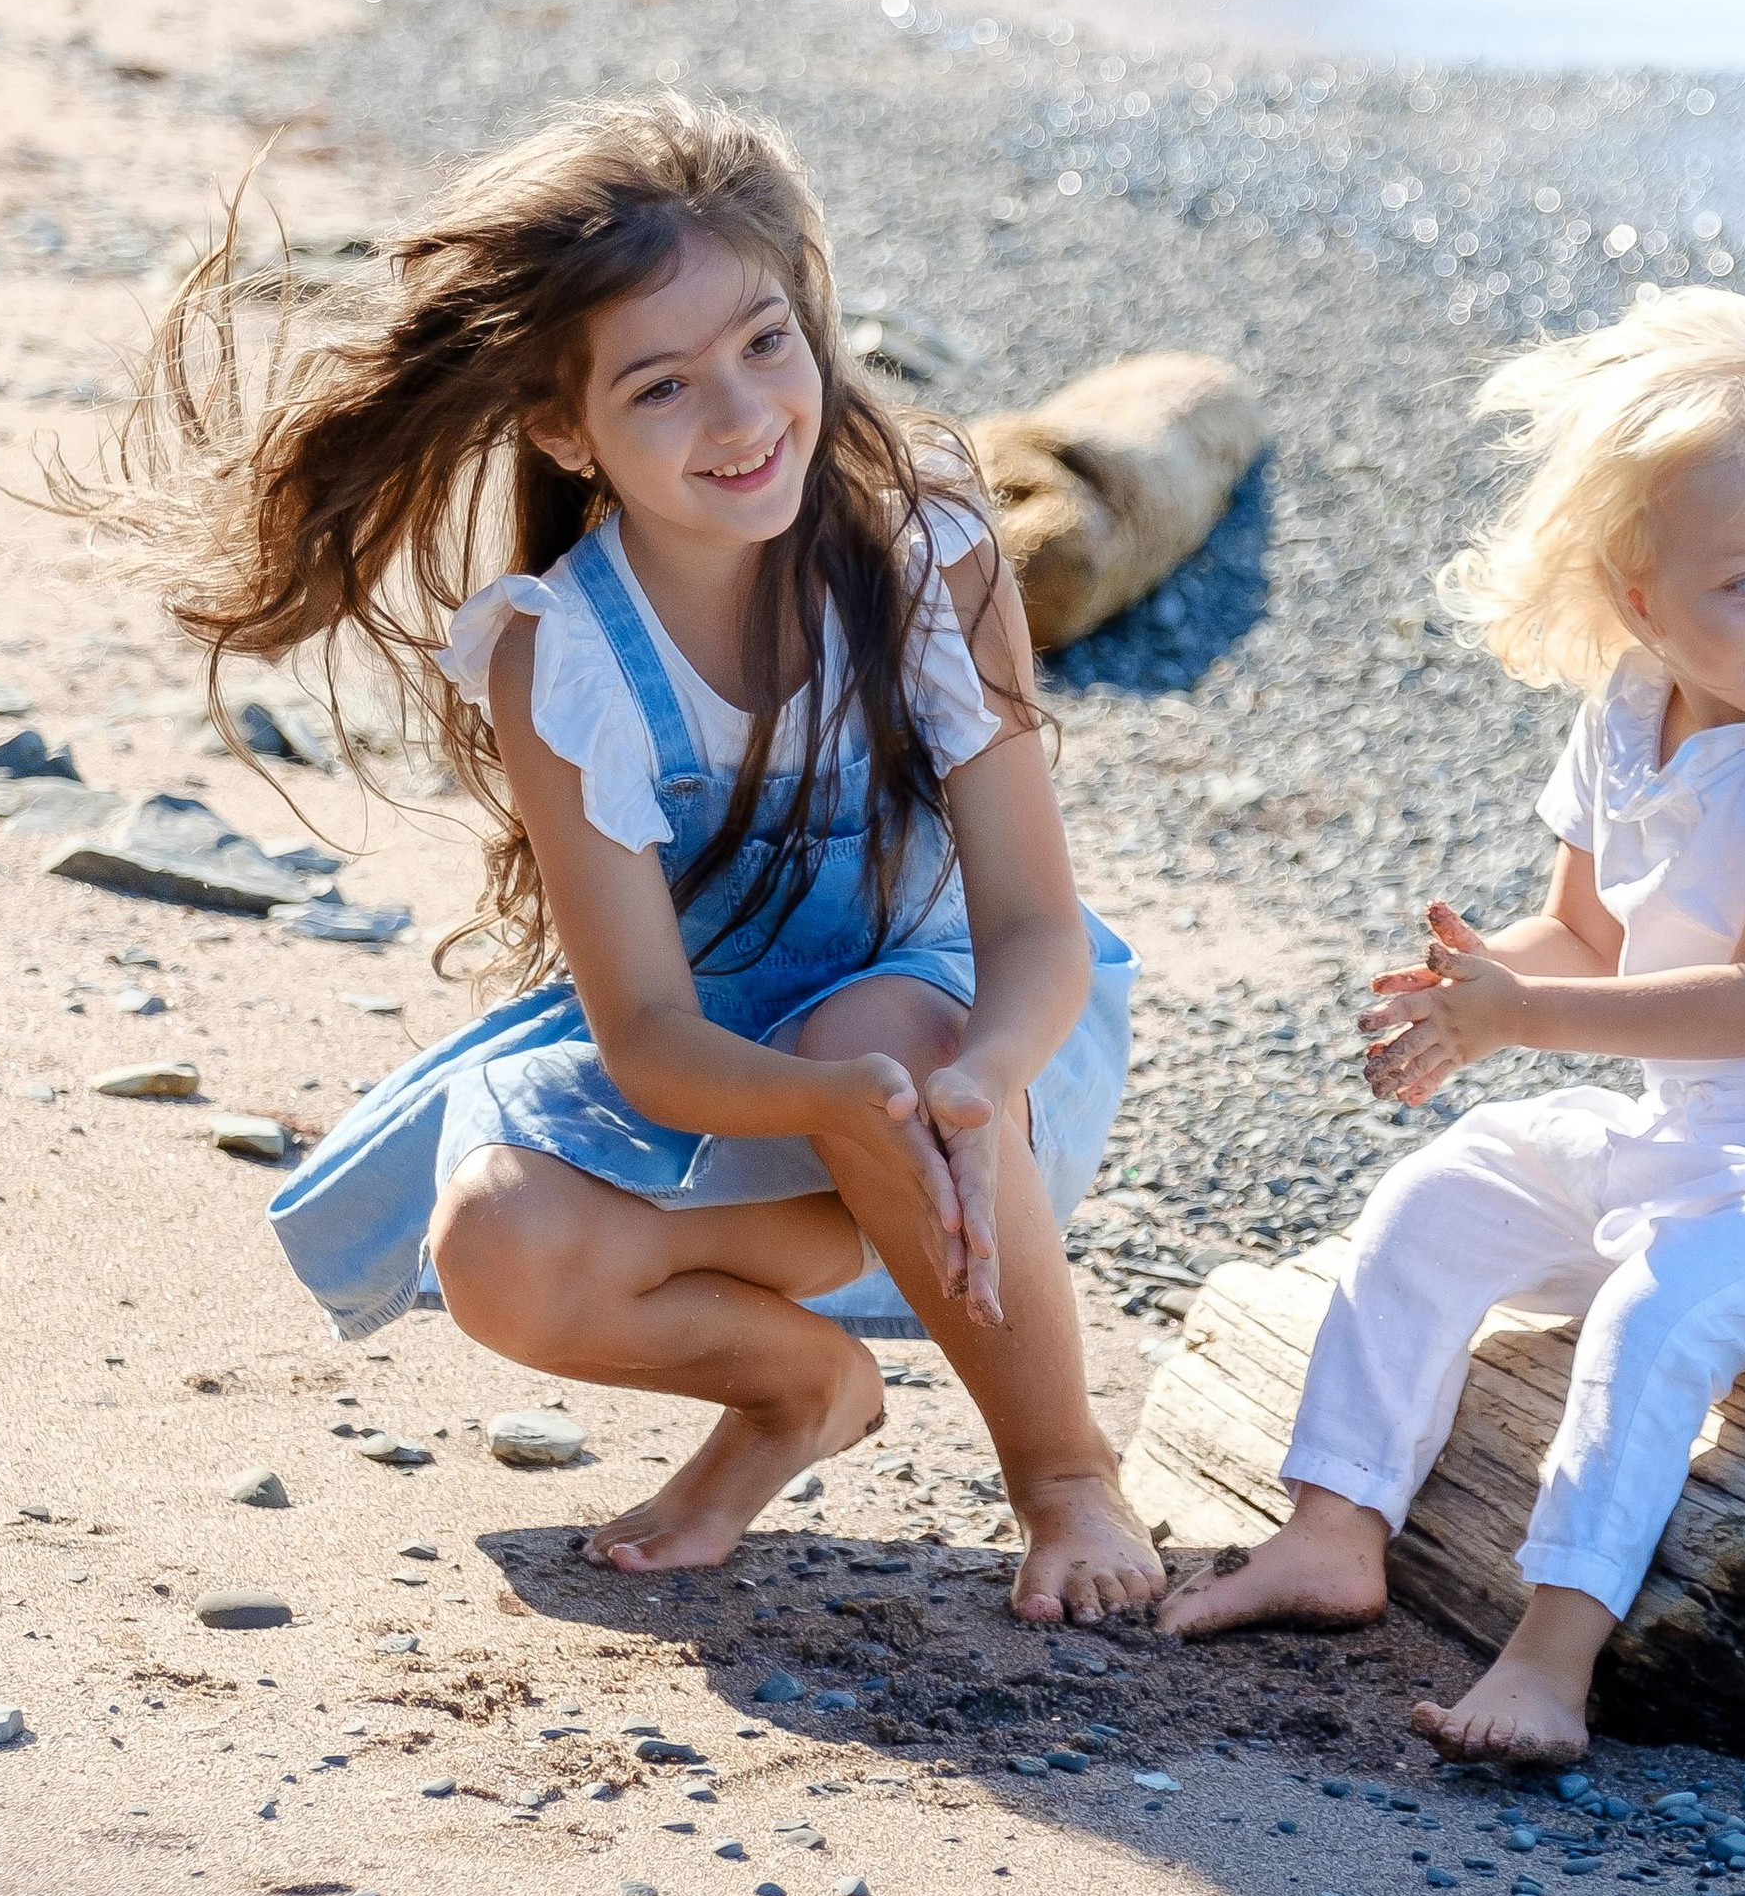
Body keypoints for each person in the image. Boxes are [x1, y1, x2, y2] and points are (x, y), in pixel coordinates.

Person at [100, 96, 1158, 1620]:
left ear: (810, 318)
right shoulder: (565, 654)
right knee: (502, 1243)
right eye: (659, 385)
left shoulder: (929, 558)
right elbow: (651, 1038)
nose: (740, 416)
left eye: (766, 344)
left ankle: (1064, 1476)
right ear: (560, 427)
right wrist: (824, 1103)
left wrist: (983, 1074)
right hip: (732, 1090)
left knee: (880, 1031)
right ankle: (798, 1392)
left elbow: (1036, 926)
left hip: (970, 1071)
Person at [1159, 290, 1745, 1760]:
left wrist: (1529, 1010)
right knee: (1446, 1188)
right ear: (1639, 599)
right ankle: (1335, 1526)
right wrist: (1479, 998)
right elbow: (1588, 937)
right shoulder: (1627, 710)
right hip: (1688, 1133)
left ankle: (1552, 1658)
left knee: (1659, 1313)